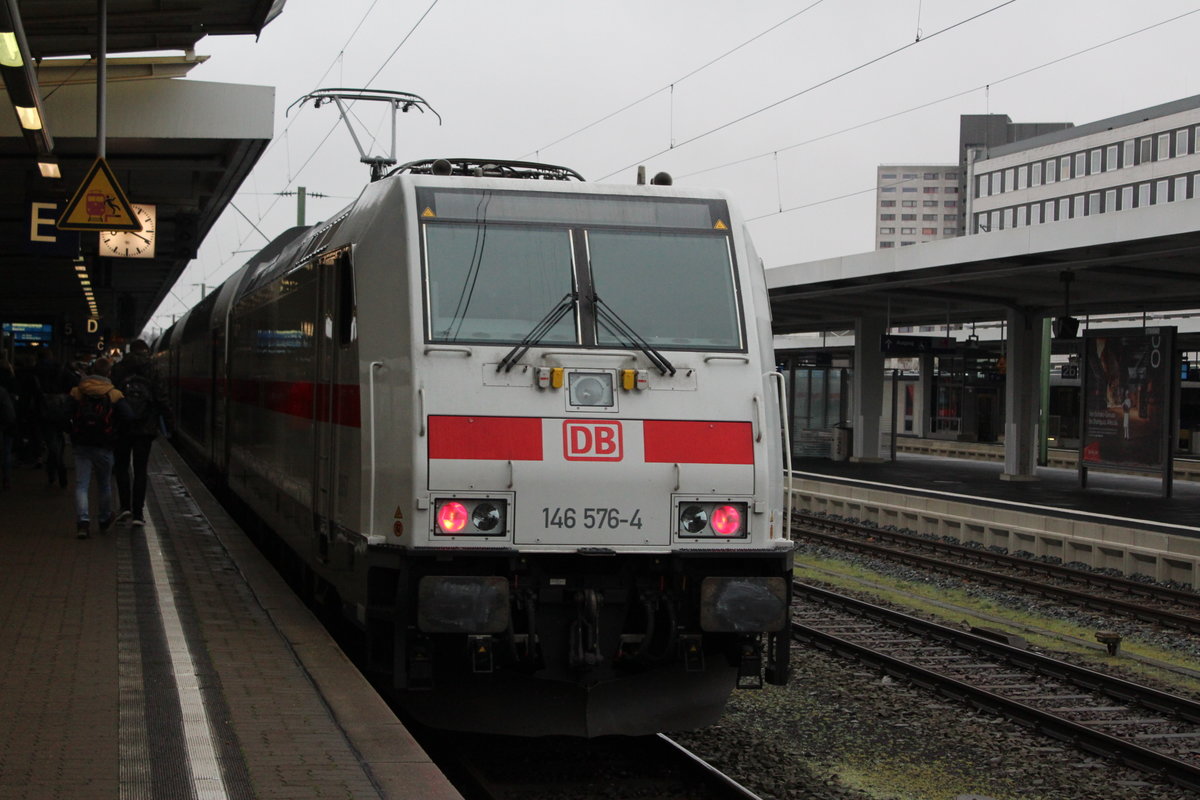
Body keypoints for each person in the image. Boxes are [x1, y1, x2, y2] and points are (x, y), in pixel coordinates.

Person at [111, 340, 174, 527]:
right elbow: (161, 398)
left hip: (122, 425)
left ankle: (125, 507)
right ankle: (138, 514)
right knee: (140, 470)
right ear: (146, 351)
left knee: (121, 467)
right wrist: (169, 423)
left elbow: (111, 396)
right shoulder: (153, 370)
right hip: (145, 427)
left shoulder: (118, 369)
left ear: (130, 351)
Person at [69, 357, 131, 539]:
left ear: (91, 371)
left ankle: (83, 523)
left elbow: (64, 413)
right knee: (104, 484)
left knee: (81, 485)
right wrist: (116, 433)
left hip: (81, 444)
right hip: (104, 445)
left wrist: (72, 432)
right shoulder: (114, 394)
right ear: (108, 373)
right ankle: (104, 518)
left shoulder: (78, 391)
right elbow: (128, 417)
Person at [34, 347, 77, 488]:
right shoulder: (60, 369)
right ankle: (57, 465)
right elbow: (74, 383)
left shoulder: (36, 370)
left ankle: (54, 468)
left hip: (43, 410)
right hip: (61, 409)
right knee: (59, 439)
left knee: (50, 439)